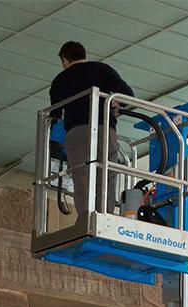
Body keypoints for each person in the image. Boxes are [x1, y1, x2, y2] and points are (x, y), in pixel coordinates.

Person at [49, 40, 132, 218]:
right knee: (106, 172)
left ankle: (85, 217)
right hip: (103, 128)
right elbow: (127, 95)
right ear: (84, 55)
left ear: (65, 60)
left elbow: (54, 113)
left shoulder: (60, 80)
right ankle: (105, 215)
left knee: (81, 176)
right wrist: (115, 103)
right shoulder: (102, 69)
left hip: (75, 131)